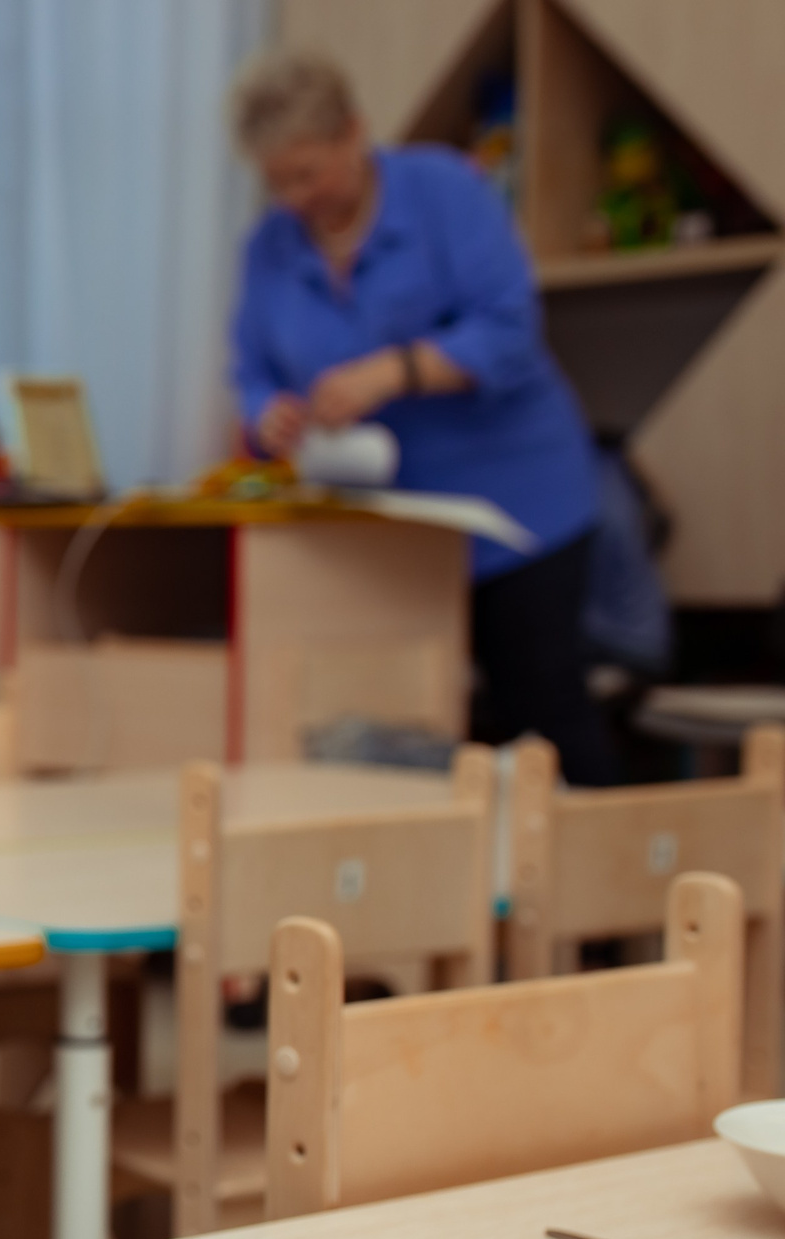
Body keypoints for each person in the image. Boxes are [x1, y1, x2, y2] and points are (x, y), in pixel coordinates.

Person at [228, 50, 617, 784]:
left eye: (309, 174)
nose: (295, 197)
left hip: (518, 510)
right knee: (402, 725)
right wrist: (266, 414)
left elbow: (510, 329)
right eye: (277, 182)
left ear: (354, 133)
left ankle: (609, 854)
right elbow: (250, 371)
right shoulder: (268, 248)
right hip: (391, 539)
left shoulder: (444, 192)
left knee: (541, 714)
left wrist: (393, 372)